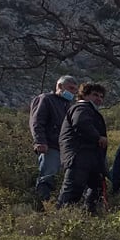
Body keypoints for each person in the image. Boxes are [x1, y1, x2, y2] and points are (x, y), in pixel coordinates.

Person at [57, 83, 109, 213]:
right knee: (72, 192)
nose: (99, 99)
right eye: (95, 95)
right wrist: (98, 137)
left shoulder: (89, 110)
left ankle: (88, 216)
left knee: (95, 189)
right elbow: (80, 123)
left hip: (89, 158)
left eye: (101, 96)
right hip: (79, 157)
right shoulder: (82, 108)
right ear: (84, 95)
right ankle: (60, 220)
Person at [29, 75, 78, 204]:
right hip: (50, 146)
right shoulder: (45, 99)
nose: (73, 92)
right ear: (60, 86)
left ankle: (55, 207)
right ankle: (41, 205)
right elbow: (37, 122)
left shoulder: (68, 105)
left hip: (64, 149)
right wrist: (39, 141)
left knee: (61, 180)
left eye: (74, 90)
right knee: (47, 176)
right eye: (70, 88)